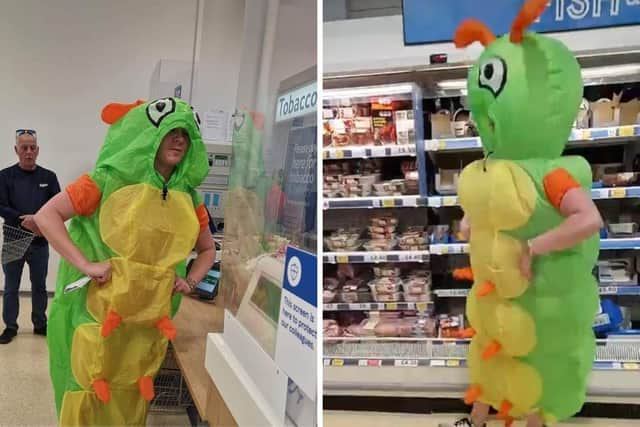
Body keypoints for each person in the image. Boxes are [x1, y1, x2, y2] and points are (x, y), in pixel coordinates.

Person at [35, 98, 214, 425]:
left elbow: (207, 249)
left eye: (185, 134)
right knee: (89, 383)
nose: (178, 139)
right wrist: (87, 265)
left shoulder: (189, 197)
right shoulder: (105, 179)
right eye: (170, 130)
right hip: (97, 311)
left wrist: (189, 282)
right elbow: (48, 215)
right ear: (150, 134)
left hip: (147, 320)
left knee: (133, 387)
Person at [0, 129, 60, 344]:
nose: (28, 152)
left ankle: (40, 324)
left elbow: (57, 206)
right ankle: (10, 326)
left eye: (32, 147)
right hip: (13, 238)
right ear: (16, 150)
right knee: (11, 287)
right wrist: (23, 219)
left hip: (40, 241)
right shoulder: (5, 176)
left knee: (39, 286)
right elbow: (1, 206)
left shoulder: (49, 177)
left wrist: (39, 221)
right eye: (23, 147)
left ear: (38, 150)